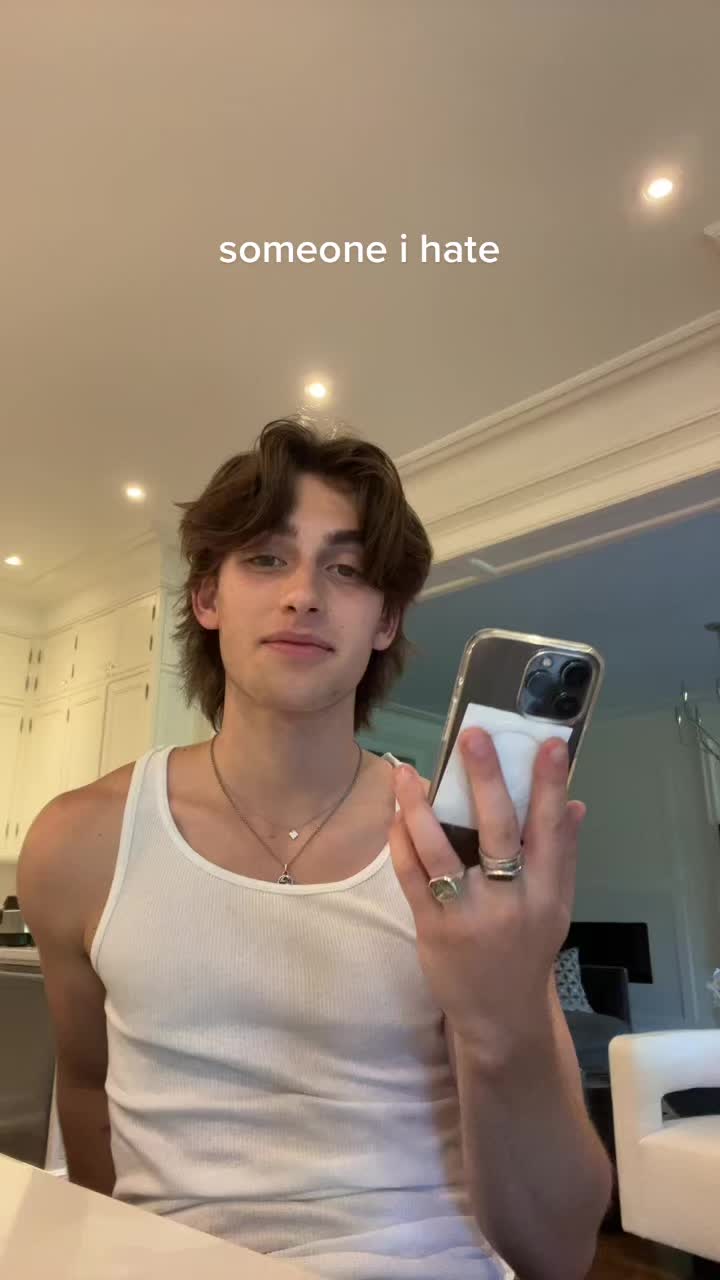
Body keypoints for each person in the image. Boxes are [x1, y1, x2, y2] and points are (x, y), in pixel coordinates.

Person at [19, 418, 612, 1280]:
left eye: (347, 569)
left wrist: (504, 1015)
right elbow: (84, 1084)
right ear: (207, 599)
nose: (303, 593)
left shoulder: (452, 856)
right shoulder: (78, 843)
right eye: (266, 558)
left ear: (385, 619)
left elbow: (556, 1253)